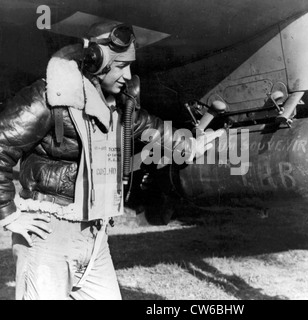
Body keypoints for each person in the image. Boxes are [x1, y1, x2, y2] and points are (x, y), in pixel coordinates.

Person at [0, 21, 220, 300]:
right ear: (96, 61)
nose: (128, 75)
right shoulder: (47, 97)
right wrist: (9, 214)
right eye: (120, 66)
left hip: (95, 237)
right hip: (48, 239)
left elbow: (147, 125)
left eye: (130, 65)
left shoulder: (113, 105)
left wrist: (189, 145)